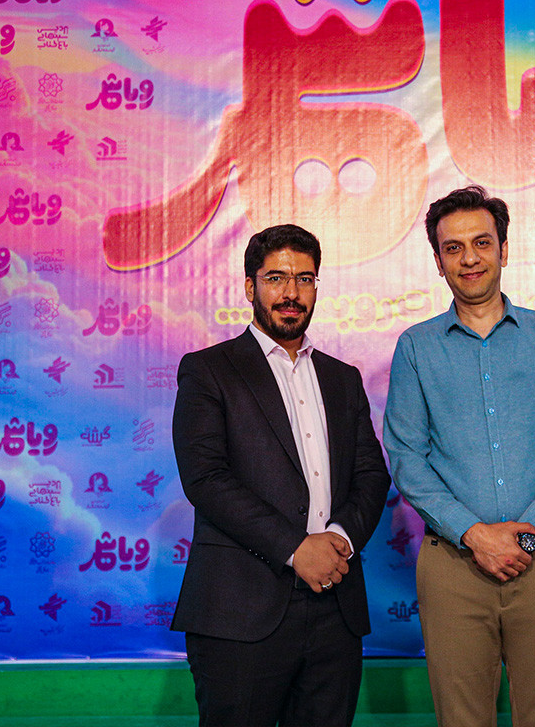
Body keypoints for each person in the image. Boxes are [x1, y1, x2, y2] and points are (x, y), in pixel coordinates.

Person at [384, 185, 535, 727]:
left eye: (482, 243)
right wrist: (477, 536)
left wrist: (523, 539)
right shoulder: (415, 347)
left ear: (504, 249)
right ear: (438, 262)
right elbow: (407, 457)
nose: (469, 258)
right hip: (453, 566)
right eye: (453, 248)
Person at [171, 224, 391, 727]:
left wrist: (337, 541)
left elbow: (371, 474)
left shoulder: (342, 378)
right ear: (250, 287)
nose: (291, 293)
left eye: (304, 279)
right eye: (276, 278)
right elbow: (205, 477)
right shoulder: (209, 370)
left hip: (335, 606)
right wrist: (297, 548)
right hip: (240, 610)